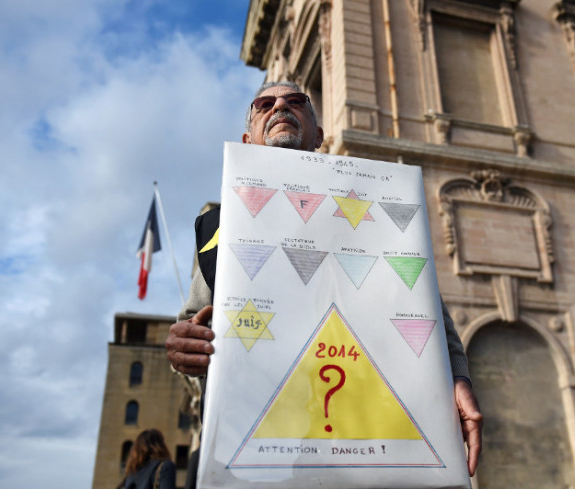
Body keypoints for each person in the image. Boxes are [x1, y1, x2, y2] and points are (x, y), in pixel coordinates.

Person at [165, 80, 483, 478]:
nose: (280, 106)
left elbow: (422, 306)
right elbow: (193, 322)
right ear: (248, 139)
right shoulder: (217, 226)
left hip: (369, 442)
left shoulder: (375, 202)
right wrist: (183, 348)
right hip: (260, 451)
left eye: (295, 101)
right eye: (265, 104)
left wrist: (455, 376)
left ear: (318, 134)